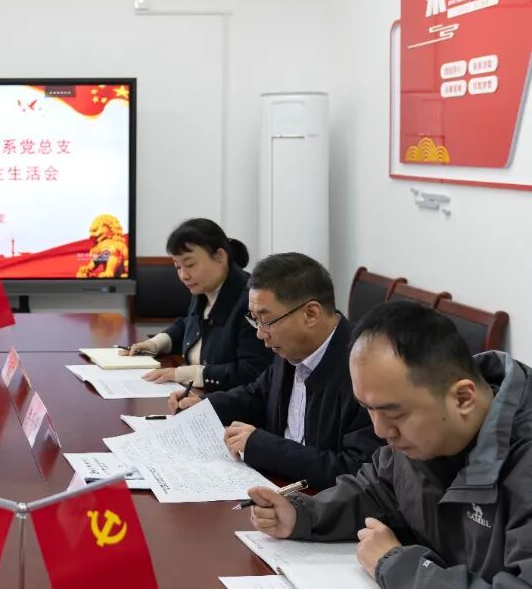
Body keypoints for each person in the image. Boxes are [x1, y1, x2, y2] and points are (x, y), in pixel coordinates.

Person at [247, 301, 532, 587]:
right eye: (368, 409)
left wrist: (397, 566)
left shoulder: (523, 465)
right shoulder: (422, 436)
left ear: (463, 398)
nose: (381, 431)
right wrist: (302, 515)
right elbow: (375, 490)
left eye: (395, 414)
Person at [169, 253, 382, 489]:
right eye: (255, 319)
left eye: (266, 320)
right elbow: (259, 395)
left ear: (311, 314)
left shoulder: (366, 370)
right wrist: (204, 407)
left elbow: (355, 469)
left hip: (320, 500)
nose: (260, 333)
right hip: (276, 484)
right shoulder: (290, 348)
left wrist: (264, 448)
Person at [123, 218, 270, 391]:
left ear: (220, 256)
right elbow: (189, 325)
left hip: (228, 401)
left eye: (190, 264)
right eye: (178, 267)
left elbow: (251, 372)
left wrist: (185, 374)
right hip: (196, 393)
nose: (183, 276)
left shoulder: (251, 302)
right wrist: (154, 344)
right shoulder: (205, 288)